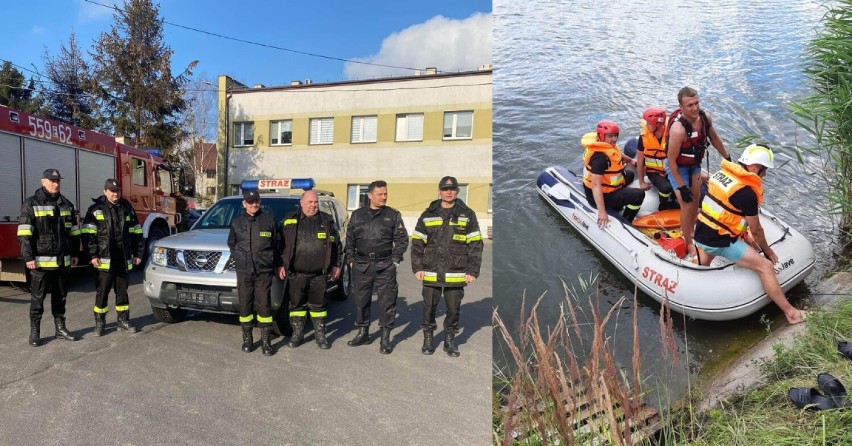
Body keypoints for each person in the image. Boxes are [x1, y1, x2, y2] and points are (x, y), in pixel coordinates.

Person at [694, 144, 806, 324]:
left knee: (705, 259)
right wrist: (767, 251)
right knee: (766, 267)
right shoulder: (746, 193)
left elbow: (726, 211)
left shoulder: (721, 175)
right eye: (764, 170)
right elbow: (757, 230)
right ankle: (791, 314)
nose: (765, 175)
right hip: (719, 240)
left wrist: (743, 236)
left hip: (701, 232)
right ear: (754, 167)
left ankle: (697, 281)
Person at [411, 176, 483, 357]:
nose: (448, 192)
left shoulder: (467, 214)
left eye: (452, 189)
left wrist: (473, 270)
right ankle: (428, 338)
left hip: (456, 272)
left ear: (457, 191)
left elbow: (475, 243)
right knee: (429, 307)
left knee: (453, 308)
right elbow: (418, 242)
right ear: (439, 191)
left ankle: (449, 340)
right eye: (445, 189)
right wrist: (418, 267)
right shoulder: (428, 214)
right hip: (430, 270)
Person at [17, 168, 81, 346]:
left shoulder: (66, 204)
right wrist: (28, 257)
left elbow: (74, 232)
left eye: (58, 180)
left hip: (62, 261)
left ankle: (60, 328)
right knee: (37, 299)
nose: (56, 183)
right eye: (52, 180)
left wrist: (75, 253)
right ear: (43, 181)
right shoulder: (31, 203)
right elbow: (24, 233)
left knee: (60, 297)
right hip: (40, 262)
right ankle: (35, 332)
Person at [666, 87, 732, 256]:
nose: (695, 108)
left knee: (695, 203)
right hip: (678, 167)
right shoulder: (678, 129)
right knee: (687, 204)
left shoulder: (705, 118)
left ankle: (694, 232)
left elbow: (714, 138)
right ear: (681, 107)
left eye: (696, 103)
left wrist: (727, 157)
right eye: (690, 105)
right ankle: (688, 241)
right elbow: (671, 161)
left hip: (694, 164)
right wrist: (681, 186)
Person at [344, 180, 409, 354]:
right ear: (370, 195)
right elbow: (349, 240)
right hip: (361, 265)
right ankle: (363, 333)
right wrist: (351, 259)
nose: (384, 197)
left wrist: (395, 259)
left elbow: (402, 239)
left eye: (385, 193)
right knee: (361, 301)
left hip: (385, 266)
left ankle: (385, 339)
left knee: (387, 302)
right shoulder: (357, 215)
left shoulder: (393, 215)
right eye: (380, 194)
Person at [81, 179, 144, 336]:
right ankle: (100, 324)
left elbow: (137, 232)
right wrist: (92, 255)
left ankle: (123, 321)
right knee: (102, 293)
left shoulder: (127, 208)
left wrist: (138, 253)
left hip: (123, 258)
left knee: (122, 292)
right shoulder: (96, 209)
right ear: (105, 191)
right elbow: (88, 235)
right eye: (111, 190)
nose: (115, 193)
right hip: (104, 259)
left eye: (117, 190)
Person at [280, 190, 342, 349]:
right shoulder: (289, 220)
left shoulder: (326, 221)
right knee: (297, 307)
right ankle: (297, 335)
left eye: (315, 202)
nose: (313, 205)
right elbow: (279, 244)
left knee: (319, 307)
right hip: (296, 273)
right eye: (310, 202)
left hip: (319, 274)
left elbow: (336, 246)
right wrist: (280, 264)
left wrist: (336, 265)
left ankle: (320, 337)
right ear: (301, 203)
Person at [227, 189, 284, 356]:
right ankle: (247, 339)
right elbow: (232, 243)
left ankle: (266, 341)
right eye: (250, 202)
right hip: (244, 271)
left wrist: (279, 265)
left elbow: (278, 245)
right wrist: (239, 257)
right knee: (245, 305)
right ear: (244, 204)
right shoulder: (237, 222)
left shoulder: (269, 220)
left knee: (264, 306)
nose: (254, 204)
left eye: (256, 201)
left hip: (264, 271)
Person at [583, 120, 647, 229]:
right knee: (639, 194)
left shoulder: (607, 146)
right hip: (603, 195)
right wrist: (602, 212)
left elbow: (617, 153)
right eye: (610, 136)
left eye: (616, 135)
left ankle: (619, 199)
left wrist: (631, 160)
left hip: (609, 184)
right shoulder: (600, 158)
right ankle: (627, 220)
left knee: (630, 174)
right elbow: (595, 185)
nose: (614, 139)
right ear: (601, 136)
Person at [637, 108, 678, 211]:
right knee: (666, 188)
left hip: (669, 170)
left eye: (649, 124)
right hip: (653, 172)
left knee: (681, 184)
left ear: (659, 124)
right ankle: (663, 208)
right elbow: (640, 160)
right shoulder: (644, 137)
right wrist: (642, 182)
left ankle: (674, 200)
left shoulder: (671, 135)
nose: (646, 126)